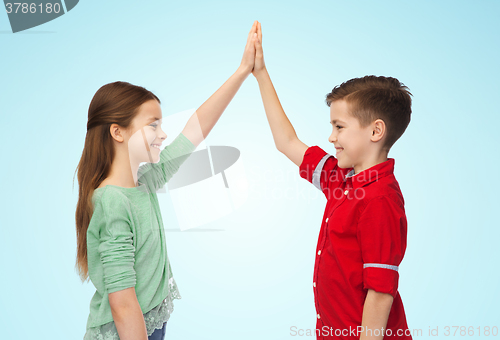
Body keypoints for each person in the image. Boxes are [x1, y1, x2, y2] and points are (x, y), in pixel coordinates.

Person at [74, 21, 260, 340]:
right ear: (117, 132)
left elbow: (195, 129)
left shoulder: (145, 179)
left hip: (149, 324)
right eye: (153, 125)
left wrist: (243, 71)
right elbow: (122, 305)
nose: (163, 134)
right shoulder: (113, 202)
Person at [251, 21, 413, 340]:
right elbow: (287, 142)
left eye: (339, 127)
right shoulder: (341, 179)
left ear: (375, 131)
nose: (331, 136)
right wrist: (261, 74)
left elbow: (380, 293)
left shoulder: (379, 199)